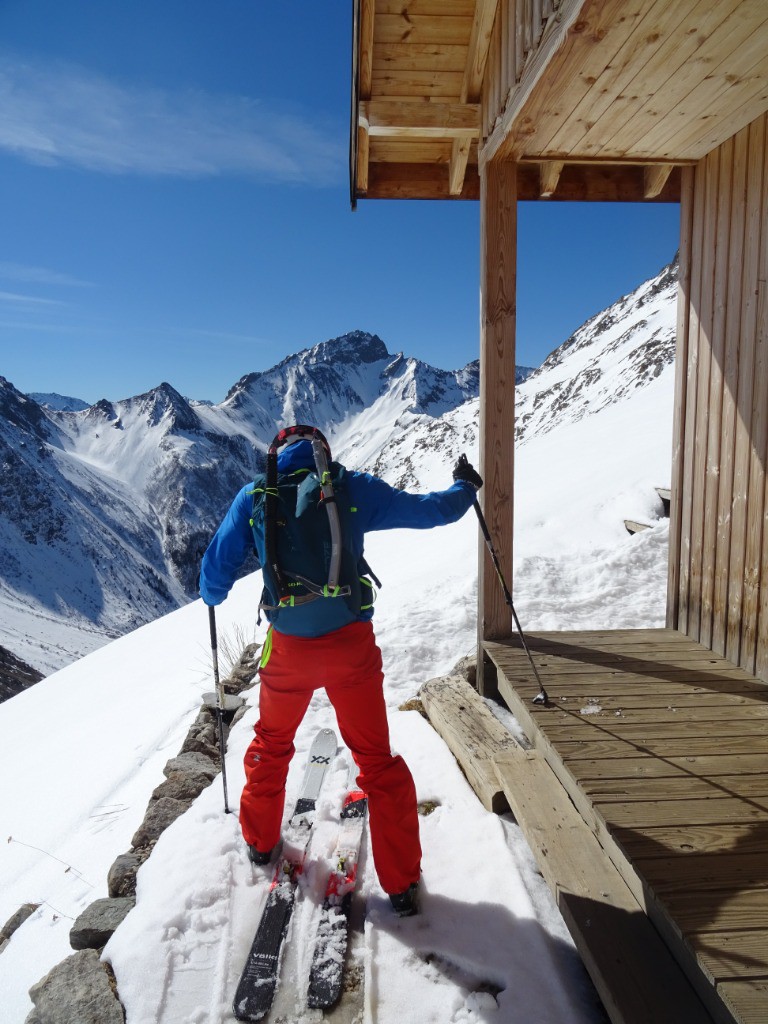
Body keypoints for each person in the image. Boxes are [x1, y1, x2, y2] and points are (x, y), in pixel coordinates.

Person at [199, 424, 482, 916]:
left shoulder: (255, 497)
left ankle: (261, 842)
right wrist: (464, 486)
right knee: (376, 760)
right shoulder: (351, 488)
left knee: (271, 742)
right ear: (322, 456)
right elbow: (431, 511)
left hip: (287, 649)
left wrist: (211, 595)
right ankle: (401, 883)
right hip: (351, 645)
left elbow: (215, 571)